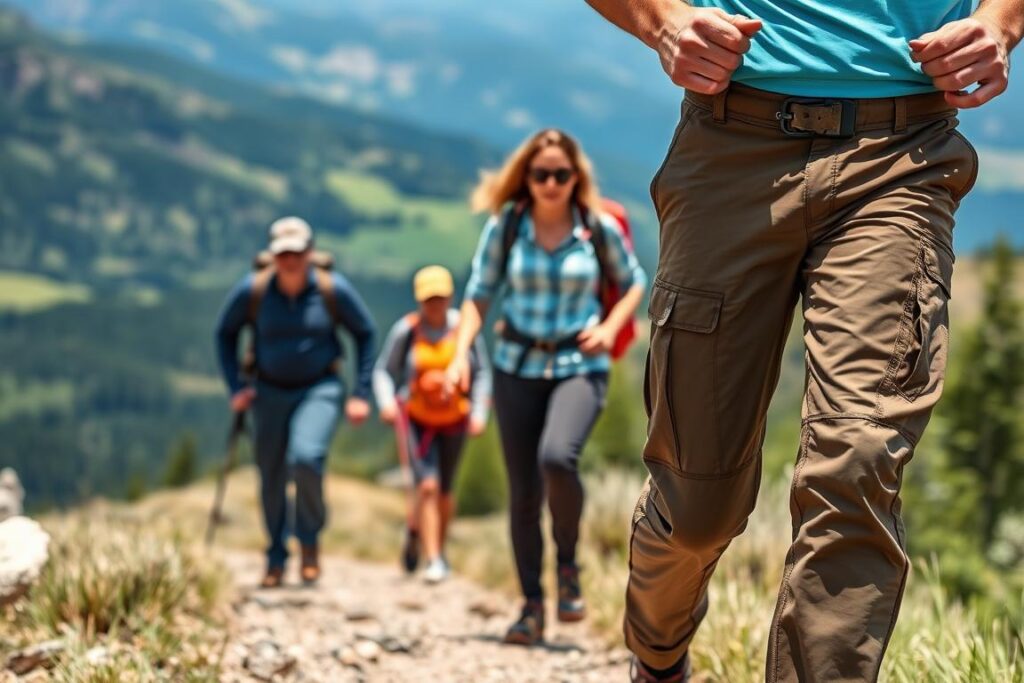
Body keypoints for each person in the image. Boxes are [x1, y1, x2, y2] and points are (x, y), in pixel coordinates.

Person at [583, 0, 1022, 681]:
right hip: (732, 143)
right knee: (697, 501)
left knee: (856, 461)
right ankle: (659, 652)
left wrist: (1001, 22)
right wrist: (662, 21)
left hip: (902, 159)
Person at [446, 129, 647, 645]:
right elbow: (478, 294)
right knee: (523, 493)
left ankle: (568, 565)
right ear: (526, 178)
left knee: (558, 458)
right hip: (516, 365)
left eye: (561, 174)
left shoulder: (596, 227)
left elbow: (633, 282)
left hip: (580, 365)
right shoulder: (508, 226)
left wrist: (608, 328)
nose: (552, 183)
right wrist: (459, 355)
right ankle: (531, 606)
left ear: (576, 177)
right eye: (541, 174)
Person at [215, 216, 377, 588]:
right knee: (270, 473)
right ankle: (275, 554)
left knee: (306, 458)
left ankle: (308, 540)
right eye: (283, 254)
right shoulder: (253, 291)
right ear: (272, 256)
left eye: (297, 253)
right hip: (267, 391)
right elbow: (225, 334)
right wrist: (235, 386)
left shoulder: (332, 289)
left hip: (319, 387)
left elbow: (365, 333)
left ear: (310, 252)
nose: (290, 261)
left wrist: (360, 393)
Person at [373, 265, 492, 584]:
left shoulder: (463, 330)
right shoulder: (407, 331)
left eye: (440, 298)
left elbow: (481, 373)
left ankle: (426, 538)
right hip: (416, 420)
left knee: (445, 491)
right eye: (429, 299)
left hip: (455, 419)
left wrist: (479, 412)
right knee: (427, 486)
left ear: (450, 297)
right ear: (419, 300)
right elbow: (384, 371)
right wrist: (386, 403)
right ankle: (434, 558)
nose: (435, 304)